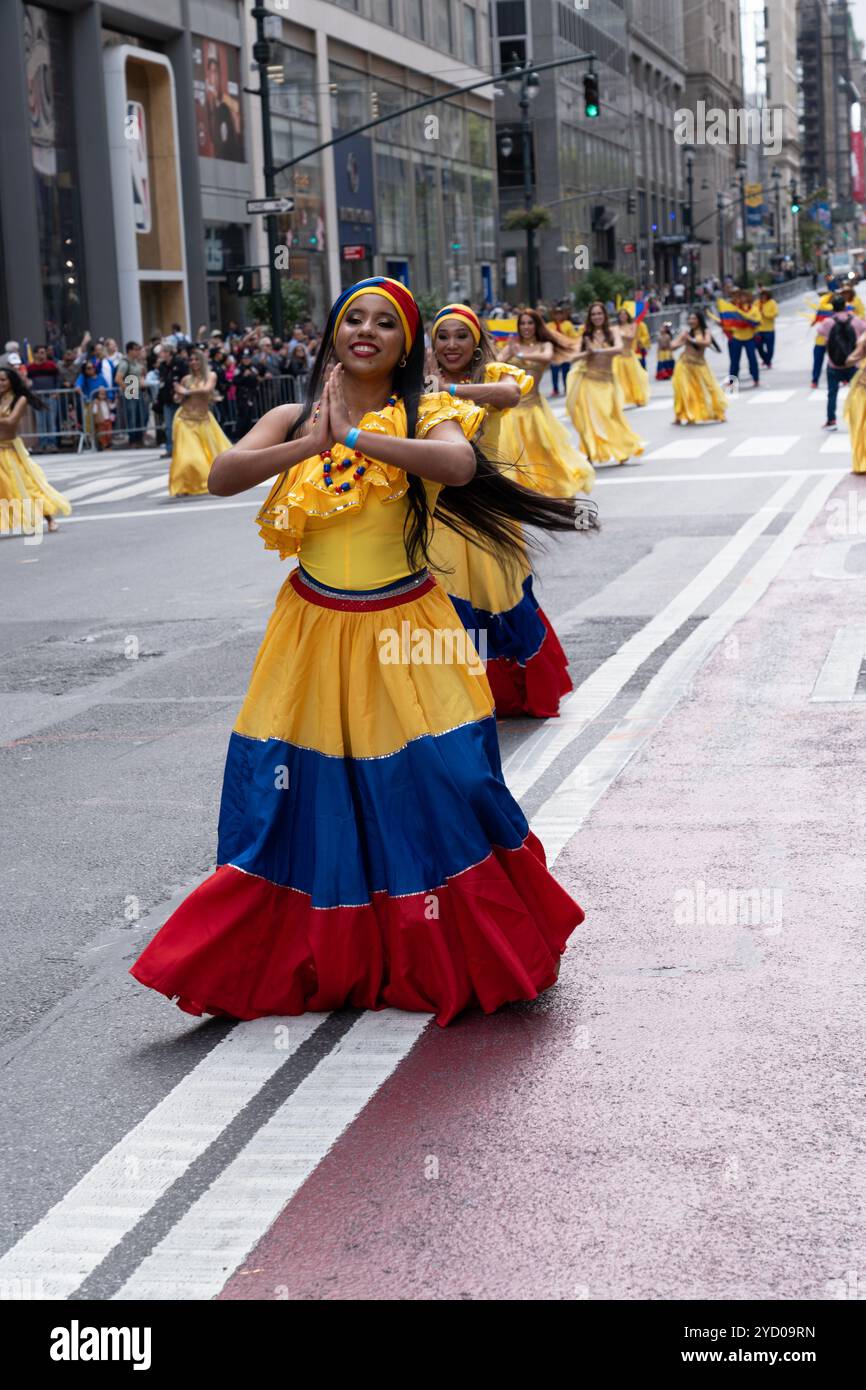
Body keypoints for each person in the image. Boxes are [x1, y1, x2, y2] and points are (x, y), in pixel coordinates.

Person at [129, 276, 585, 1027]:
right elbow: (219, 478)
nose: (365, 330)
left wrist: (355, 437)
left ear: (406, 344)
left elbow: (457, 468)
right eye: (352, 318)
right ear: (334, 335)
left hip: (408, 629)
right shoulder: (289, 413)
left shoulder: (428, 413)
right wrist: (312, 439)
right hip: (311, 632)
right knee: (302, 795)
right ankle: (320, 952)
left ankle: (464, 941)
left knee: (452, 777)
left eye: (384, 322)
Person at [428, 302, 593, 719]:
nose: (452, 344)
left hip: (491, 510)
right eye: (442, 336)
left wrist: (447, 391)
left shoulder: (494, 377)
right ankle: (459, 693)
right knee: (448, 599)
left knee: (497, 595)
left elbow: (511, 395)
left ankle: (508, 691)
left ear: (477, 340)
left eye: (461, 335)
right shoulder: (417, 385)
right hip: (440, 513)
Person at [495, 308, 593, 496]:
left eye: (530, 323)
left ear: (537, 325)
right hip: (512, 410)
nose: (526, 327)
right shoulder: (511, 346)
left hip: (534, 408)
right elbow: (494, 365)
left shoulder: (544, 345)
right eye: (522, 323)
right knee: (515, 453)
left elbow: (547, 357)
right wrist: (508, 353)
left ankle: (561, 484)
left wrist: (521, 355)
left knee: (545, 449)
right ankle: (524, 492)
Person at [565, 300, 645, 465]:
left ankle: (622, 448)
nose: (596, 317)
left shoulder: (613, 331)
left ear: (605, 315)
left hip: (608, 381)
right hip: (589, 381)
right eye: (593, 314)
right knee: (590, 419)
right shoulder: (585, 335)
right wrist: (587, 353)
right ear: (590, 317)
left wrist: (598, 350)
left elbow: (619, 349)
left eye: (599, 313)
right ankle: (590, 451)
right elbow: (572, 357)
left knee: (611, 416)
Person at [0, 366, 71, 534]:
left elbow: (11, 421)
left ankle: (49, 518)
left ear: (11, 382)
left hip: (10, 450)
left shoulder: (20, 399)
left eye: (3, 380)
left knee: (27, 485)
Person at [168, 348, 231, 495]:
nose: (194, 362)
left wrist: (186, 392)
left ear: (202, 360)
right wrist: (178, 395)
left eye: (196, 359)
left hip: (204, 422)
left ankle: (209, 484)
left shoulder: (211, 376)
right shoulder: (186, 379)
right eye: (191, 359)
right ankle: (185, 486)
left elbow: (206, 389)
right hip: (185, 421)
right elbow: (179, 398)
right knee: (188, 458)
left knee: (217, 457)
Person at [670, 311, 727, 425]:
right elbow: (672, 346)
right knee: (683, 390)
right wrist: (682, 343)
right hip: (685, 364)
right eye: (690, 319)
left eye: (694, 319)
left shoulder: (706, 331)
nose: (691, 321)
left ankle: (718, 413)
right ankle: (680, 415)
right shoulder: (686, 333)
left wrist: (691, 340)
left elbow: (707, 342)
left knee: (709, 388)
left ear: (699, 320)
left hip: (700, 365)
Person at [822, 295, 866, 431]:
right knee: (857, 393)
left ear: (832, 307)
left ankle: (831, 420)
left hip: (834, 364)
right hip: (853, 364)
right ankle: (858, 419)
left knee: (832, 393)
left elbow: (823, 337)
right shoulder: (856, 321)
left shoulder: (827, 322)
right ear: (845, 306)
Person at [719, 290, 760, 386]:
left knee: (752, 359)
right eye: (737, 297)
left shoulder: (753, 309)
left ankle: (756, 378)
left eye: (742, 297)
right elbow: (728, 322)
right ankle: (732, 380)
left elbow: (757, 320)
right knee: (734, 361)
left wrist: (746, 319)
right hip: (736, 337)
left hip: (749, 337)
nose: (740, 299)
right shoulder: (732, 310)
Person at [27, 345, 61, 452]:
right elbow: (27, 382)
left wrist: (56, 391)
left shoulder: (51, 365)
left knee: (51, 421)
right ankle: (42, 443)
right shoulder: (30, 368)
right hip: (37, 399)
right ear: (35, 354)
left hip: (51, 397)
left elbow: (58, 379)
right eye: (41, 352)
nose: (43, 354)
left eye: (44, 352)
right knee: (40, 422)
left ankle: (52, 443)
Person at [613, 309, 650, 407]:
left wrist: (620, 334)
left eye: (624, 314)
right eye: (621, 315)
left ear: (627, 316)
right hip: (619, 357)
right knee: (619, 379)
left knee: (634, 378)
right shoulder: (616, 327)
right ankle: (619, 400)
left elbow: (631, 337)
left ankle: (638, 398)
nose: (622, 316)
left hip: (629, 355)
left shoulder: (633, 325)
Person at [547, 306, 578, 396]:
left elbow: (573, 336)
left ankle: (566, 387)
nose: (558, 316)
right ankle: (555, 389)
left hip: (565, 351)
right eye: (556, 314)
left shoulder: (567, 324)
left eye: (560, 313)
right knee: (554, 372)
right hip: (555, 352)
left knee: (566, 371)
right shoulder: (549, 325)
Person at [755, 289, 778, 367]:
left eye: (765, 296)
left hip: (769, 330)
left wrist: (764, 314)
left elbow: (775, 314)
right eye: (762, 296)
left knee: (770, 349)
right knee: (758, 347)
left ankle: (768, 361)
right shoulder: (757, 303)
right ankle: (766, 360)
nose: (763, 297)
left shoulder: (772, 303)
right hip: (759, 330)